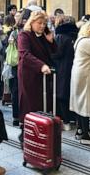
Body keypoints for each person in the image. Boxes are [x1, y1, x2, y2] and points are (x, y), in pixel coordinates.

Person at [17, 10, 57, 141]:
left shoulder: (42, 36)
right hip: (29, 75)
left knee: (41, 103)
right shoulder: (24, 35)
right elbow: (25, 54)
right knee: (29, 104)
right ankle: (25, 133)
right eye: (39, 23)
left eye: (44, 23)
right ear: (32, 22)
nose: (42, 26)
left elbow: (54, 52)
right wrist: (41, 65)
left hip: (42, 76)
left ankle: (38, 132)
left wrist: (51, 41)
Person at [51, 16, 78, 131]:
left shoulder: (60, 37)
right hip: (73, 68)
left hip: (62, 68)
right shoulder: (75, 36)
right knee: (70, 94)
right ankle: (72, 118)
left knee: (61, 94)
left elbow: (56, 53)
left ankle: (65, 120)